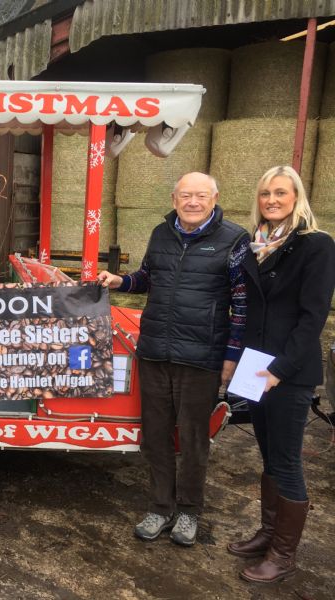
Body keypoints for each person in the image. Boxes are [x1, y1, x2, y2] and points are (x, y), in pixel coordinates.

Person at [98, 172, 249, 546]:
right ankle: (160, 507)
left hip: (202, 356)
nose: (193, 202)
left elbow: (243, 305)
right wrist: (121, 282)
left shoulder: (235, 240)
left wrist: (231, 358)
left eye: (201, 195)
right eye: (185, 195)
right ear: (174, 198)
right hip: (156, 352)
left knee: (195, 439)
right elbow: (149, 278)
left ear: (215, 198)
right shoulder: (161, 233)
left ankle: (189, 512)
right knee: (155, 436)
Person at [227, 166, 335, 583]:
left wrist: (279, 369)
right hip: (256, 366)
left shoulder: (315, 246)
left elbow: (313, 318)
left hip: (287, 370)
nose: (271, 200)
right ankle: (269, 533)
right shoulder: (256, 245)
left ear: (297, 197)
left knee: (288, 461)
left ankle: (283, 555)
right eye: (265, 194)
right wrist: (241, 361)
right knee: (268, 454)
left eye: (280, 193)